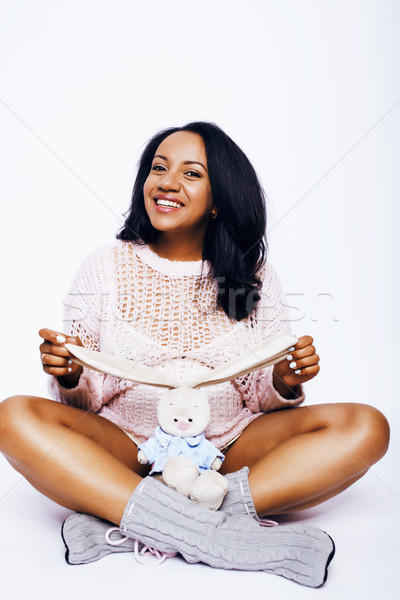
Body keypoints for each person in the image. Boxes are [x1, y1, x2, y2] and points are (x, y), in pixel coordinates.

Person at [0, 122, 390, 586]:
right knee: (12, 417)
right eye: (159, 168)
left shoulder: (254, 275)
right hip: (128, 447)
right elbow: (86, 400)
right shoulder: (104, 267)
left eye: (191, 174)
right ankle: (216, 534)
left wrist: (284, 380)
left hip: (230, 445)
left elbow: (261, 401)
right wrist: (69, 376)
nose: (166, 183)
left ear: (219, 196)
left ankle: (132, 516)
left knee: (367, 427)